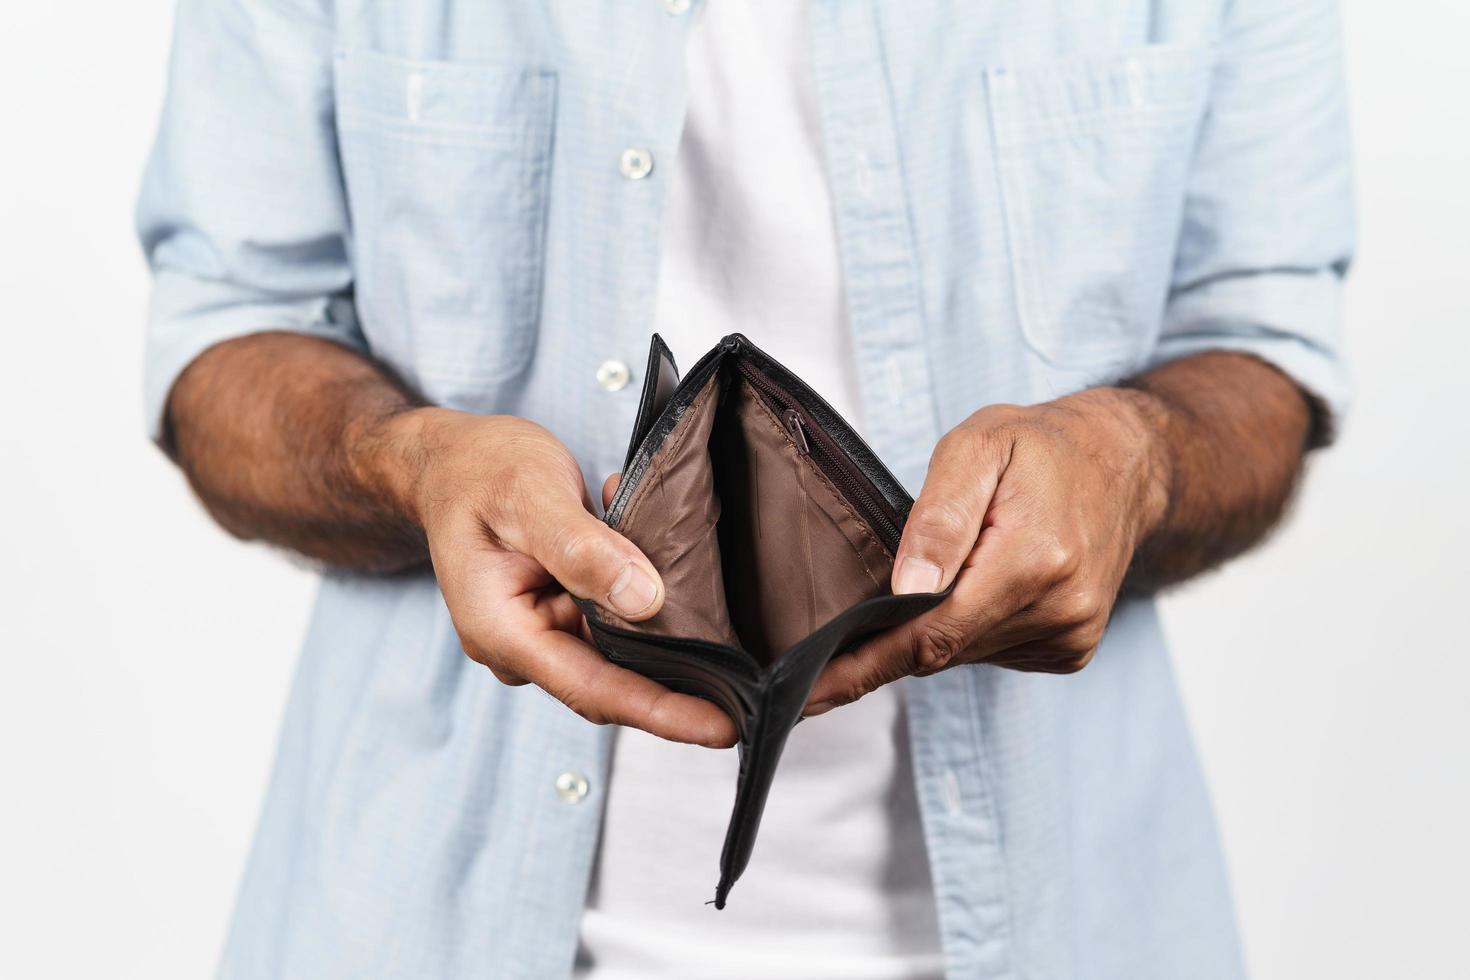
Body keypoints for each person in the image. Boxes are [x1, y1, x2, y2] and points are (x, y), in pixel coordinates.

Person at [137, 0, 1352, 976]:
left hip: (1075, 919)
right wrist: (410, 461)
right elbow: (228, 342)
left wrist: (1135, 454)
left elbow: (1262, 352)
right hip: (415, 925)